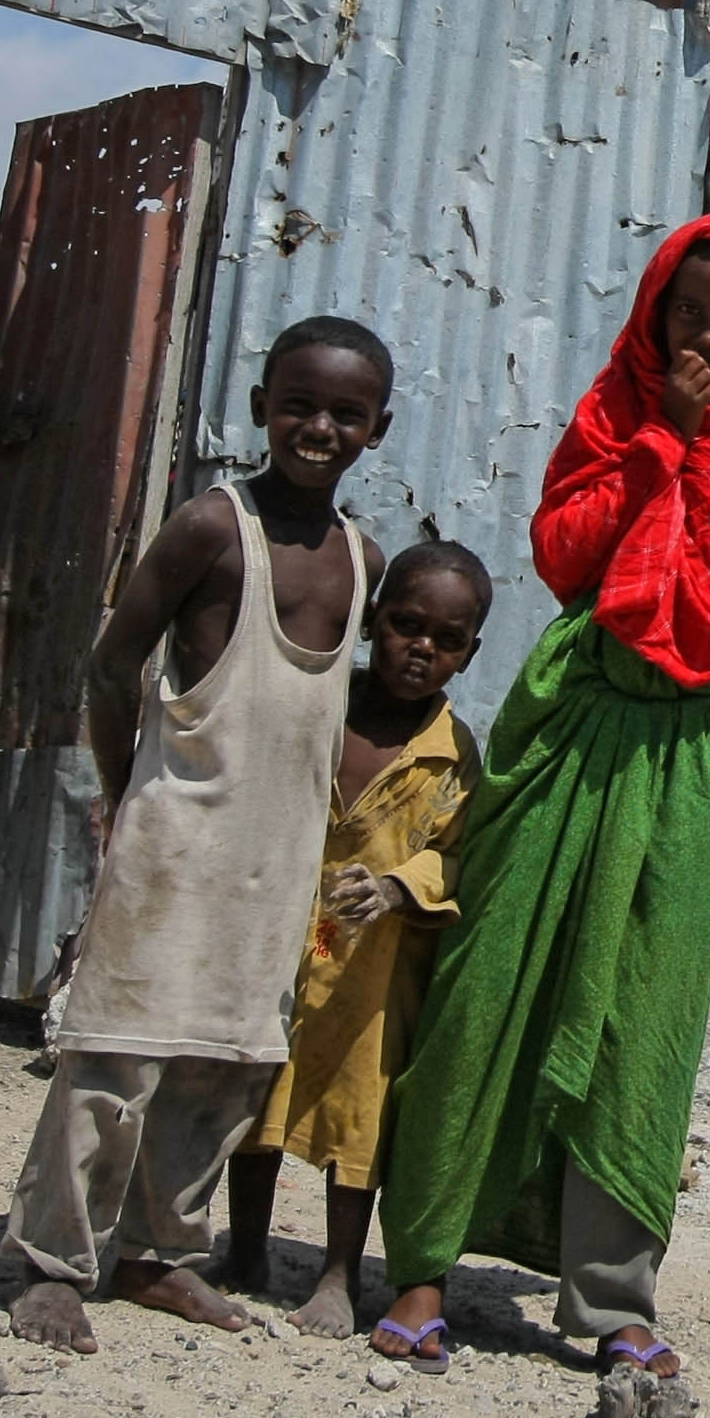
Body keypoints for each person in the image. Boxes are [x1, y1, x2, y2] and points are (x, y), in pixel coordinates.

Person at [370, 215, 710, 1380]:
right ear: (656, 314)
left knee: (644, 1010)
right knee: (491, 972)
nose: (706, 334)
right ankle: (421, 1260)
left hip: (699, 751)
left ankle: (612, 1299)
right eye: (687, 312)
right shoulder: (619, 413)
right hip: (580, 723)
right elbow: (566, 558)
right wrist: (666, 440)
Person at [1, 317, 392, 1354]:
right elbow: (109, 664)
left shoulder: (365, 559)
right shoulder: (211, 530)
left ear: (377, 429)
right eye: (299, 403)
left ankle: (156, 1251)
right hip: (175, 838)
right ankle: (53, 1259)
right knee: (117, 1054)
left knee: (225, 1063)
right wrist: (130, 791)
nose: (318, 426)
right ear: (261, 404)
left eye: (344, 414)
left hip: (276, 857)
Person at [221, 541, 493, 1338]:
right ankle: (244, 1252)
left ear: (467, 655)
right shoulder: (319, 709)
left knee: (358, 1115)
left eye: (445, 641)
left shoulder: (452, 756)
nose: (422, 649)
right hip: (281, 942)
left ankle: (337, 1276)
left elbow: (454, 852)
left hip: (376, 971)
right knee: (260, 1097)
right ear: (372, 621)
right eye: (407, 625)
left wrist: (394, 888)